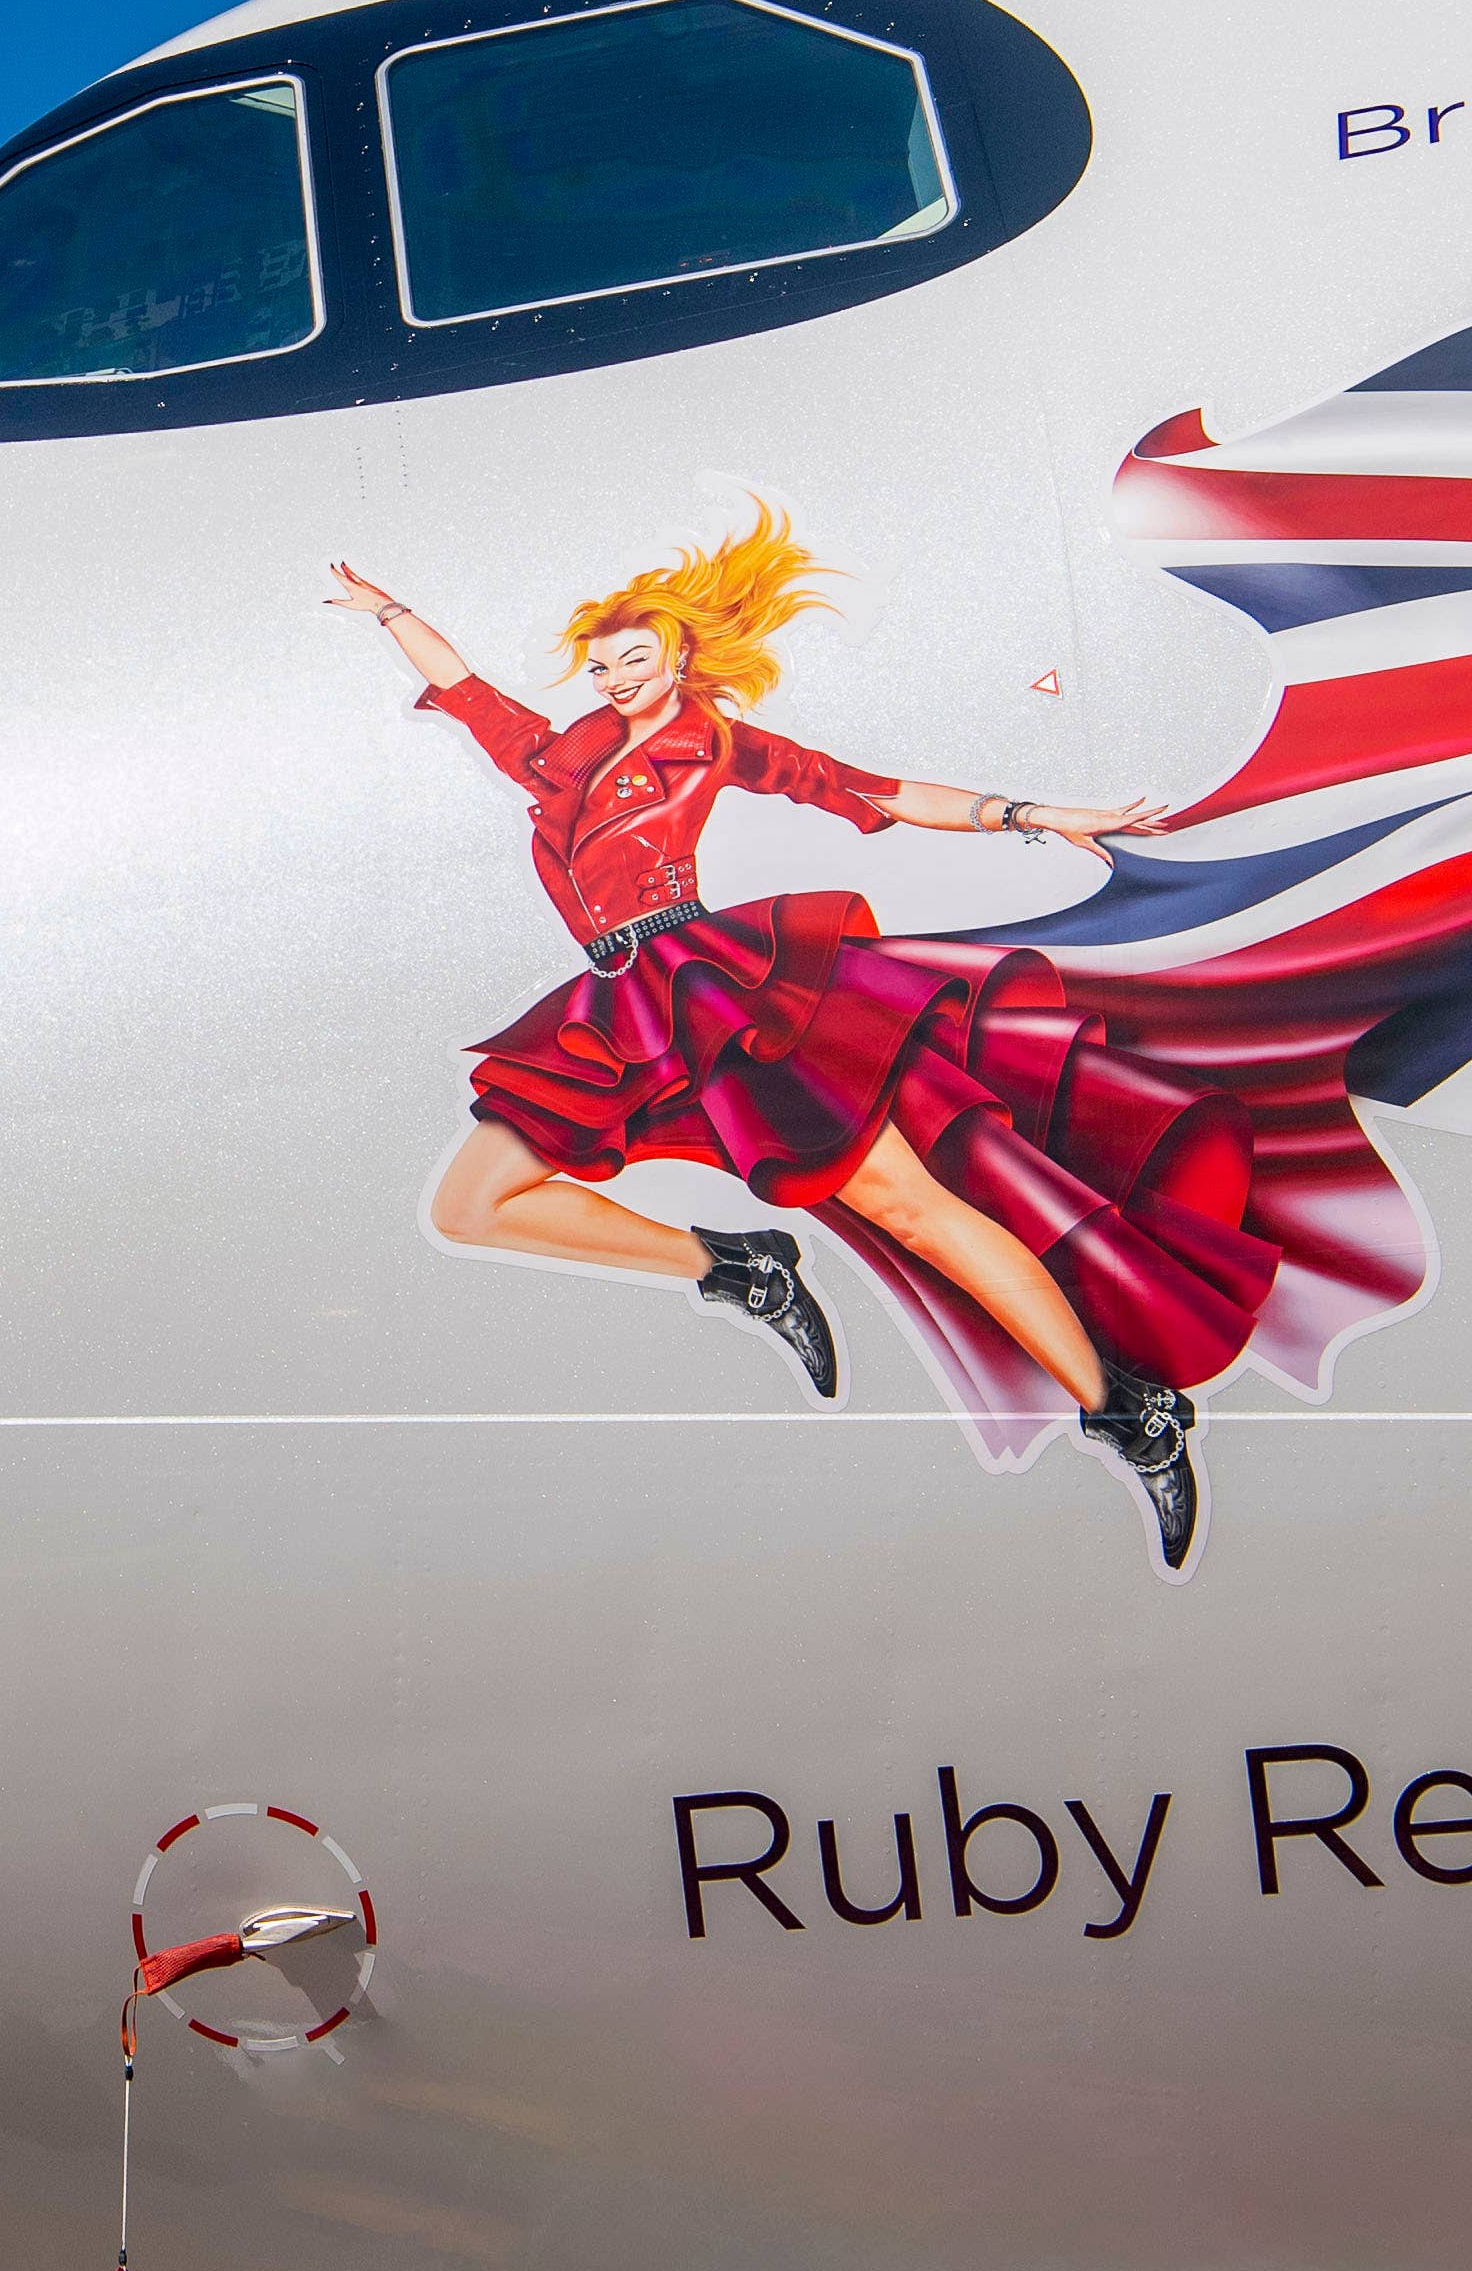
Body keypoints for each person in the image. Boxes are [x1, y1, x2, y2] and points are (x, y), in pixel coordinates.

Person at [329, 506, 1239, 1573]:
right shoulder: (553, 759)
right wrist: (388, 609)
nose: (617, 675)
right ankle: (741, 1269)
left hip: (713, 992)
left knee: (908, 1206)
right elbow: (470, 687)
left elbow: (877, 794)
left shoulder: (712, 744)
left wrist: (1033, 812)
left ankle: (1126, 1408)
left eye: (638, 656)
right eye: (602, 661)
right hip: (616, 1010)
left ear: (679, 659)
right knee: (470, 1205)